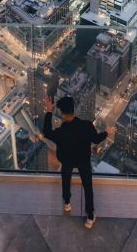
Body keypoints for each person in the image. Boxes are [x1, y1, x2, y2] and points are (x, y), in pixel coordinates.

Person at [42, 94, 108, 228]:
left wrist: (49, 111)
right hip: (83, 160)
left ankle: (67, 203)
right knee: (88, 188)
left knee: (66, 181)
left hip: (67, 161)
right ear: (74, 110)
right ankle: (90, 217)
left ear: (63, 115)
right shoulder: (86, 125)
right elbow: (96, 139)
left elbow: (47, 132)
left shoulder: (61, 131)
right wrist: (107, 133)